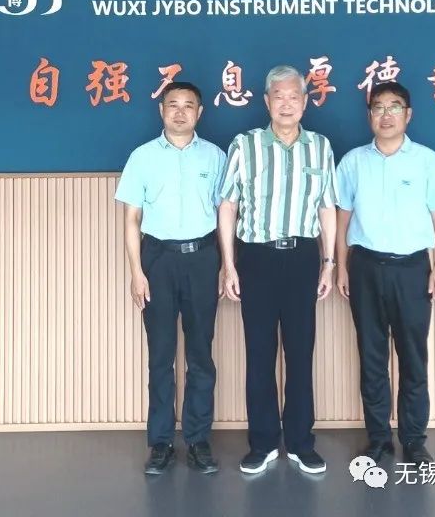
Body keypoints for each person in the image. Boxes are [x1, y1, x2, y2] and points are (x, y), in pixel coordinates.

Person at [219, 65, 337, 475]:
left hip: (303, 257)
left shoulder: (320, 146)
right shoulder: (245, 144)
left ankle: (302, 443)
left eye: (294, 97)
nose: (287, 104)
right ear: (267, 101)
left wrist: (329, 263)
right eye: (279, 97)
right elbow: (228, 205)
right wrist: (229, 264)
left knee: (301, 353)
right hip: (257, 258)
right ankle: (264, 442)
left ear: (305, 102)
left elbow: (327, 208)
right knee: (259, 353)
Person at [335, 81, 435, 465]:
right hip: (365, 267)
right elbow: (342, 219)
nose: (386, 115)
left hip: (412, 270)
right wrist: (340, 267)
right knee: (371, 357)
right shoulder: (353, 162)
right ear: (369, 115)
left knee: (412, 357)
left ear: (408, 114)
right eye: (378, 107)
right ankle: (378, 438)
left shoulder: (427, 161)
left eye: (394, 107)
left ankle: (414, 440)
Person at [114, 81, 227, 475]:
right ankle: (160, 443)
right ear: (161, 110)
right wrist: (136, 272)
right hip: (158, 260)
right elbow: (132, 219)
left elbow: (226, 215)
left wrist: (225, 265)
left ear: (200, 112)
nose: (180, 112)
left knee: (200, 355)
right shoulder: (142, 157)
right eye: (172, 105)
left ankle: (198, 441)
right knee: (161, 356)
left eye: (188, 105)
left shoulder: (215, 156)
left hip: (203, 258)